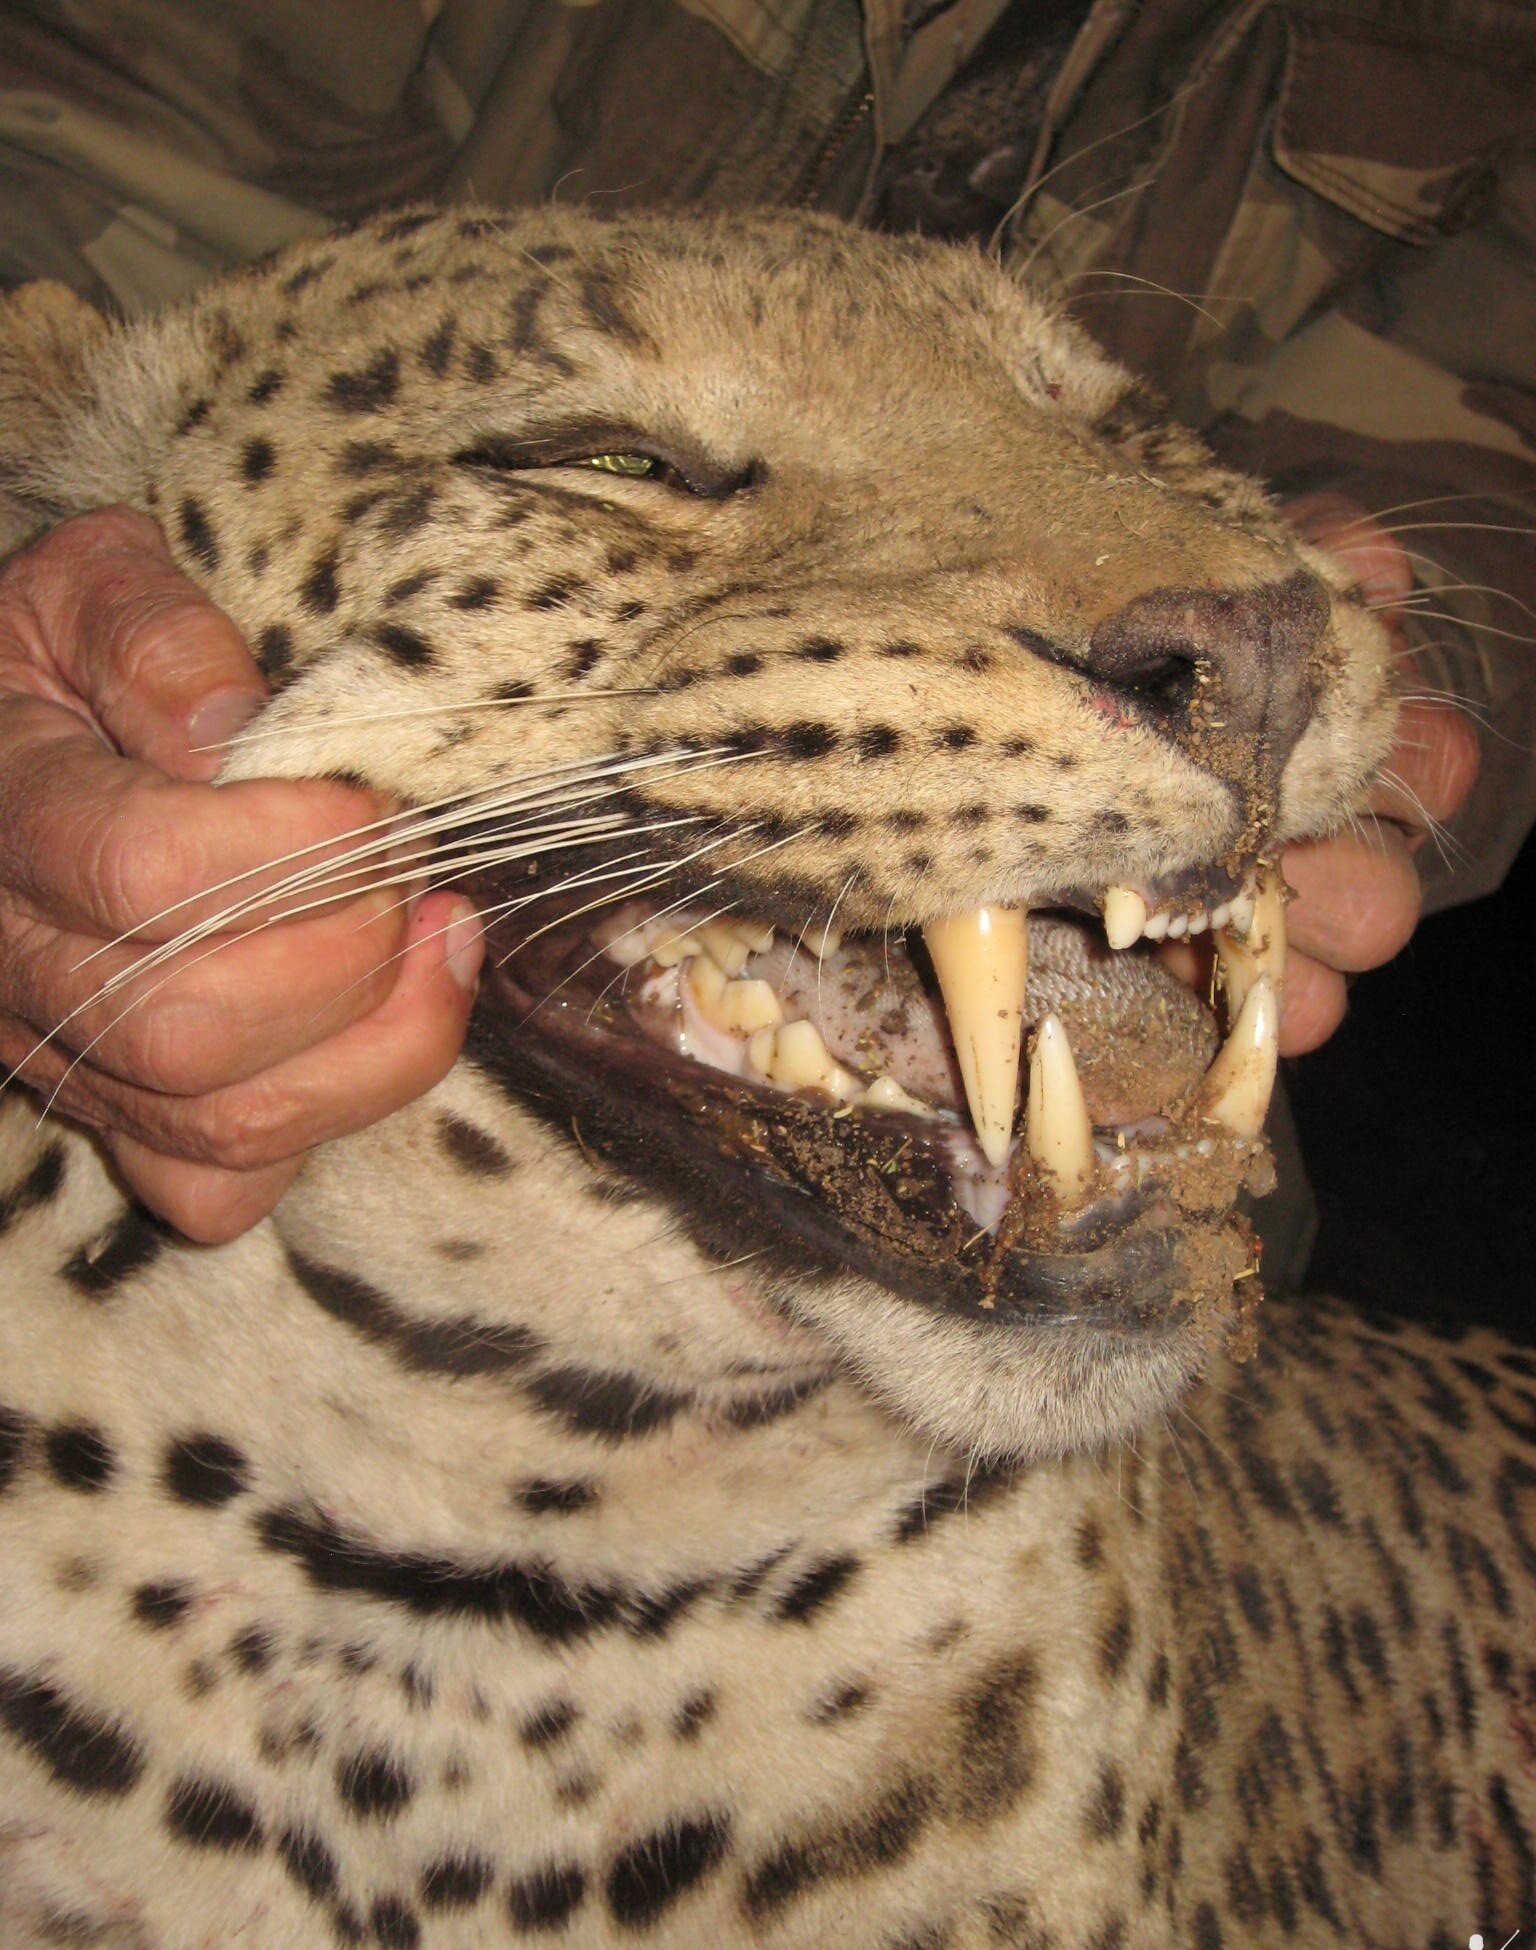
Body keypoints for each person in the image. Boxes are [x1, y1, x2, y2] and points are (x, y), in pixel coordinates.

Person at [0, 0, 1525, 1255]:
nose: (1169, 600)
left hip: (1118, 1093)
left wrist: (1406, 688)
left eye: (1122, 434)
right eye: (622, 461)